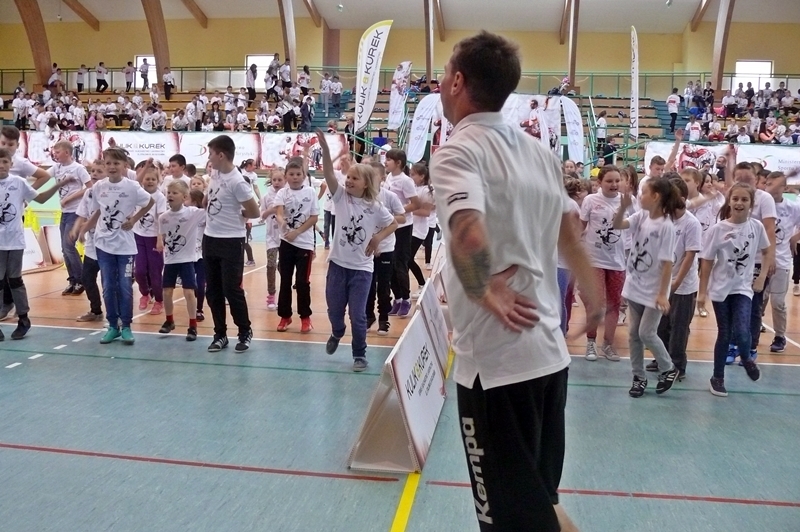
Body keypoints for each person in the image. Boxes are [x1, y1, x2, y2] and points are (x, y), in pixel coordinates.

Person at [430, 31, 600, 532]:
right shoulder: (538, 152)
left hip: (496, 366)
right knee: (541, 507)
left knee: (507, 522)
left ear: (457, 82)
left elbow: (466, 229)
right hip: (549, 358)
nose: (441, 81)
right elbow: (569, 232)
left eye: (444, 73)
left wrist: (483, 288)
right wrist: (593, 296)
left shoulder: (457, 152)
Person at [316, 132, 397, 371]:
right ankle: (337, 331)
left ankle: (359, 354)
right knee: (334, 310)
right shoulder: (341, 198)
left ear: (366, 184)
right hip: (338, 266)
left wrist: (378, 237)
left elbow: (393, 223)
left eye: (354, 178)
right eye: (348, 177)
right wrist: (326, 151)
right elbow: (328, 174)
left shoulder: (376, 207)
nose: (349, 181)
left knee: (358, 315)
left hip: (361, 270)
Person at [613, 176, 682, 397]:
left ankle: (668, 368)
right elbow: (617, 225)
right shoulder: (642, 215)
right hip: (635, 286)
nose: (639, 196)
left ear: (656, 197)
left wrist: (662, 294)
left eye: (643, 193)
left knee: (646, 333)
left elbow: (667, 263)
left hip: (654, 291)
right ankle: (638, 377)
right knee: (634, 334)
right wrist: (622, 208)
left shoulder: (666, 227)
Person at [698, 183, 768, 396]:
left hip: (742, 288)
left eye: (744, 199)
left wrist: (761, 277)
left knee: (742, 330)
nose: (739, 203)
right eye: (735, 198)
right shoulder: (717, 230)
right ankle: (717, 377)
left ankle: (746, 358)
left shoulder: (756, 227)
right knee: (725, 333)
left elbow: (767, 252)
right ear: (729, 202)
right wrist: (702, 293)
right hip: (721, 290)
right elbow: (707, 262)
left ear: (751, 204)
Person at [0, 148, 73, 339]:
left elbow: (40, 199)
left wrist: (59, 184)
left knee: (15, 280)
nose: (1, 165)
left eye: (5, 162)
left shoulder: (18, 183)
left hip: (14, 241)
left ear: (11, 164)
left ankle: (23, 319)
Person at [84, 149, 155, 345]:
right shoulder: (99, 187)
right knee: (108, 286)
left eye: (116, 163)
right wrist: (83, 229)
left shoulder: (132, 186)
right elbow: (98, 211)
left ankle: (126, 326)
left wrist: (134, 219)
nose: (112, 167)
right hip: (103, 244)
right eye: (108, 163)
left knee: (124, 286)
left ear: (125, 166)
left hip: (125, 247)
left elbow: (149, 202)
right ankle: (113, 326)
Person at [203, 135, 260, 352]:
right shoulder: (215, 173)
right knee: (213, 291)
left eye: (211, 153)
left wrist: (238, 215)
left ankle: (244, 331)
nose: (209, 157)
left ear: (221, 155)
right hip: (210, 238)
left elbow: (254, 211)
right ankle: (220, 334)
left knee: (231, 289)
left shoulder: (238, 182)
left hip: (231, 240)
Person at [580, 165, 628, 361]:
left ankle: (608, 344)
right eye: (609, 181)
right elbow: (580, 227)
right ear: (599, 182)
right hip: (594, 260)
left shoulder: (627, 201)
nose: (614, 184)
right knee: (596, 303)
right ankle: (591, 342)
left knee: (614, 304)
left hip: (617, 262)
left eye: (617, 180)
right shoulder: (590, 201)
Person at [157, 180, 206, 341]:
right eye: (169, 192)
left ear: (185, 197)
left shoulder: (192, 213)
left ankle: (192, 325)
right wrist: (160, 242)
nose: (170, 195)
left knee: (189, 292)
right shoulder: (163, 217)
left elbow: (208, 209)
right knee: (166, 291)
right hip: (170, 260)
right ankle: (169, 320)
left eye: (175, 193)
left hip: (187, 260)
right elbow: (163, 235)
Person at [274, 158, 319, 333]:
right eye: (291, 174)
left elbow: (313, 218)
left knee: (302, 282)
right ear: (286, 176)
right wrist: (282, 222)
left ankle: (305, 317)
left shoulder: (310, 192)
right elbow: (279, 213)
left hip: (304, 243)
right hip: (286, 242)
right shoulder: (282, 193)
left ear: (304, 175)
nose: (295, 177)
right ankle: (285, 316)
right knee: (285, 280)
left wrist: (297, 232)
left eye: (298, 174)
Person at [366, 162, 406, 335]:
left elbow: (402, 217)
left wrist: (386, 219)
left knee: (383, 286)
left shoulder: (389, 197)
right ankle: (368, 316)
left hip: (386, 247)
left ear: (382, 178)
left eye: (373, 175)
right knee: (368, 286)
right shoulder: (362, 197)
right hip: (367, 248)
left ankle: (383, 319)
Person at [762, 170, 800, 353]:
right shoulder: (760, 204)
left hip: (782, 261)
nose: (773, 188)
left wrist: (795, 237)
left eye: (777, 184)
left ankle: (779, 336)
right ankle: (752, 331)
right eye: (769, 184)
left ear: (784, 187)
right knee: (759, 300)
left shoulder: (792, 208)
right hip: (760, 261)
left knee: (778, 302)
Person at [48, 140, 91, 296]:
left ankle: (81, 280)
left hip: (76, 211)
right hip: (65, 212)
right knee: (65, 249)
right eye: (54, 152)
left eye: (57, 152)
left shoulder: (78, 168)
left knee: (68, 246)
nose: (55, 155)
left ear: (67, 152)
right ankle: (73, 280)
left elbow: (89, 187)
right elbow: (42, 175)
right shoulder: (57, 168)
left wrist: (70, 198)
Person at [384, 149, 421, 318]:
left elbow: (416, 204)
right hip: (390, 225)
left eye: (389, 160)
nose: (386, 162)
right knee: (390, 264)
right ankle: (397, 298)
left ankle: (406, 299)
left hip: (403, 227)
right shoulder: (388, 178)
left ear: (398, 163)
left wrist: (398, 210)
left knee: (400, 264)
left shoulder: (406, 181)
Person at [70, 160, 106, 322]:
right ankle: (96, 311)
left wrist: (83, 229)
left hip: (108, 245)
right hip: (92, 246)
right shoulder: (89, 193)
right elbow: (82, 214)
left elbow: (97, 216)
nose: (94, 174)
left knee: (108, 283)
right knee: (87, 278)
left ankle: (116, 315)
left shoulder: (110, 194)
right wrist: (76, 229)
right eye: (93, 171)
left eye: (99, 171)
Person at [133, 167, 167, 315]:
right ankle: (145, 294)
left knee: (155, 272)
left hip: (153, 238)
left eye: (153, 179)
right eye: (147, 179)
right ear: (142, 180)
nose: (150, 181)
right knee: (139, 271)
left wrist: (160, 239)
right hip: (138, 237)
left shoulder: (160, 197)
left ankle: (159, 300)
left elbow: (161, 219)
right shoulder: (138, 194)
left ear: (158, 181)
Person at [260, 168, 286, 311]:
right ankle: (271, 295)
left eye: (279, 180)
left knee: (284, 267)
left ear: (285, 180)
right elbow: (262, 215)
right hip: (271, 238)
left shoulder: (288, 195)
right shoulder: (266, 197)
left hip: (285, 237)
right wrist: (270, 210)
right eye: (274, 180)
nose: (276, 182)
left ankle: (284, 295)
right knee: (271, 265)